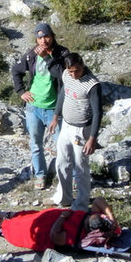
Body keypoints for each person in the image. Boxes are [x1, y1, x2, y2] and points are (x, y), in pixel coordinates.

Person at [11, 23, 68, 189]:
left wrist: (47, 58)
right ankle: (40, 175)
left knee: (62, 145)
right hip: (33, 107)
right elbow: (16, 71)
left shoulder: (62, 53)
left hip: (54, 109)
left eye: (47, 36)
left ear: (52, 36)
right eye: (40, 38)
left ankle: (65, 176)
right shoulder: (31, 54)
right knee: (36, 144)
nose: (44, 41)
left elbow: (62, 75)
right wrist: (21, 91)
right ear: (36, 38)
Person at [0, 197, 119, 252]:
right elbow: (99, 200)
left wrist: (62, 217)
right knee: (30, 214)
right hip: (50, 217)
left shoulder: (76, 236)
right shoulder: (103, 222)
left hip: (46, 231)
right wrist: (112, 218)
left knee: (15, 227)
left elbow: (54, 236)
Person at [49, 52, 102, 210]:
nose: (74, 74)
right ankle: (64, 197)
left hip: (81, 128)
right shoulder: (67, 75)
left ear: (82, 65)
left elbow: (98, 112)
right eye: (70, 71)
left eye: (77, 70)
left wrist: (92, 138)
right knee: (62, 162)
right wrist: (55, 116)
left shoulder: (92, 84)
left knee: (81, 167)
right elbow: (63, 94)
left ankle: (82, 204)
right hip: (66, 125)